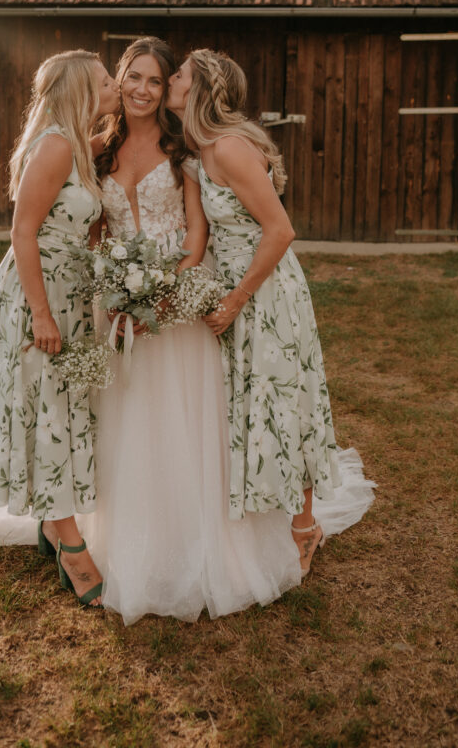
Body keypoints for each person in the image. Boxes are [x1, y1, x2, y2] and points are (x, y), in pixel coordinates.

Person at [78, 37, 307, 624]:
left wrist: (162, 292)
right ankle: (129, 532)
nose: (144, 90)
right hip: (119, 301)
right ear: (121, 78)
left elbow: (196, 235)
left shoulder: (187, 151)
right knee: (127, 421)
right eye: (135, 77)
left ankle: (194, 539)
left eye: (158, 80)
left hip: (176, 298)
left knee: (183, 422)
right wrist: (115, 292)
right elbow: (96, 228)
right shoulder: (99, 148)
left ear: (168, 91)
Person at [0, 49, 120, 607]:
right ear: (82, 89)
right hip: (39, 298)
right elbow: (23, 232)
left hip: (71, 296)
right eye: (106, 82)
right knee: (52, 411)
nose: (115, 88)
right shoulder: (56, 145)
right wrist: (40, 313)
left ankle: (53, 525)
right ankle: (74, 550)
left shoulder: (77, 142)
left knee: (63, 407)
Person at [167, 49, 374, 574]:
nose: (171, 81)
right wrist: (167, 285)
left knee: (285, 399)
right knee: (247, 403)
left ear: (200, 91)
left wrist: (236, 298)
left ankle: (305, 526)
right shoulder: (195, 157)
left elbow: (280, 231)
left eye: (179, 76)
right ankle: (259, 515)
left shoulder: (232, 148)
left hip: (266, 291)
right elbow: (201, 237)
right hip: (229, 290)